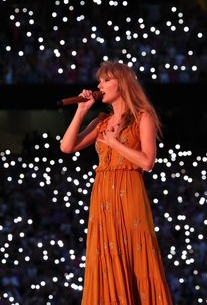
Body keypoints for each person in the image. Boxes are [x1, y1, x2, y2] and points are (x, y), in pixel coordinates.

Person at [60, 60, 173, 304]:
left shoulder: (143, 117)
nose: (99, 85)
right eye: (100, 80)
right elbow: (67, 146)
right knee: (105, 253)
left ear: (121, 84)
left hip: (129, 193)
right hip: (102, 195)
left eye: (105, 80)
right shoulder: (100, 122)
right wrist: (81, 111)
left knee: (133, 249)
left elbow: (147, 162)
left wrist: (115, 143)